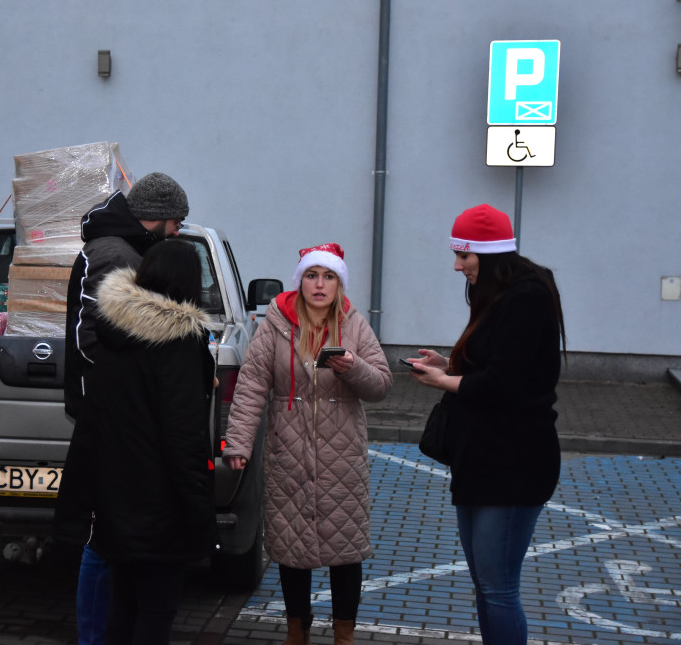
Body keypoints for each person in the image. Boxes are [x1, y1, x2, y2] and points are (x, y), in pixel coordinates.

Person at [404, 203, 566, 645]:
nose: (457, 266)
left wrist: (446, 380)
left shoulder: (527, 295)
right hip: (480, 457)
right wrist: (451, 363)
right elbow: (493, 361)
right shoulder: (494, 292)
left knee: (498, 589)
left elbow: (506, 384)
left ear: (490, 254)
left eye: (465, 256)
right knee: (486, 586)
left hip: (515, 463)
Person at [223, 243, 392, 645]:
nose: (319, 284)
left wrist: (354, 367)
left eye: (328, 276)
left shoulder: (354, 324)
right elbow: (250, 386)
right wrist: (239, 443)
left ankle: (343, 634)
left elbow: (382, 385)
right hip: (289, 451)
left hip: (342, 455)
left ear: (339, 284)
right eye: (312, 275)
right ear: (301, 280)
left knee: (345, 549)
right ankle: (296, 630)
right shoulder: (276, 324)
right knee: (290, 545)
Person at [54, 172, 190, 645]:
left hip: (113, 411)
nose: (176, 233)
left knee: (113, 534)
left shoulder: (126, 248)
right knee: (103, 536)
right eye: (176, 223)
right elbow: (93, 337)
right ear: (158, 216)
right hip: (109, 413)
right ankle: (94, 637)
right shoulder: (116, 253)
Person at [86, 239, 218, 644]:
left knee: (122, 605)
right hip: (162, 505)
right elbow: (184, 435)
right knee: (156, 612)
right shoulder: (178, 343)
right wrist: (200, 510)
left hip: (115, 498)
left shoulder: (111, 332)